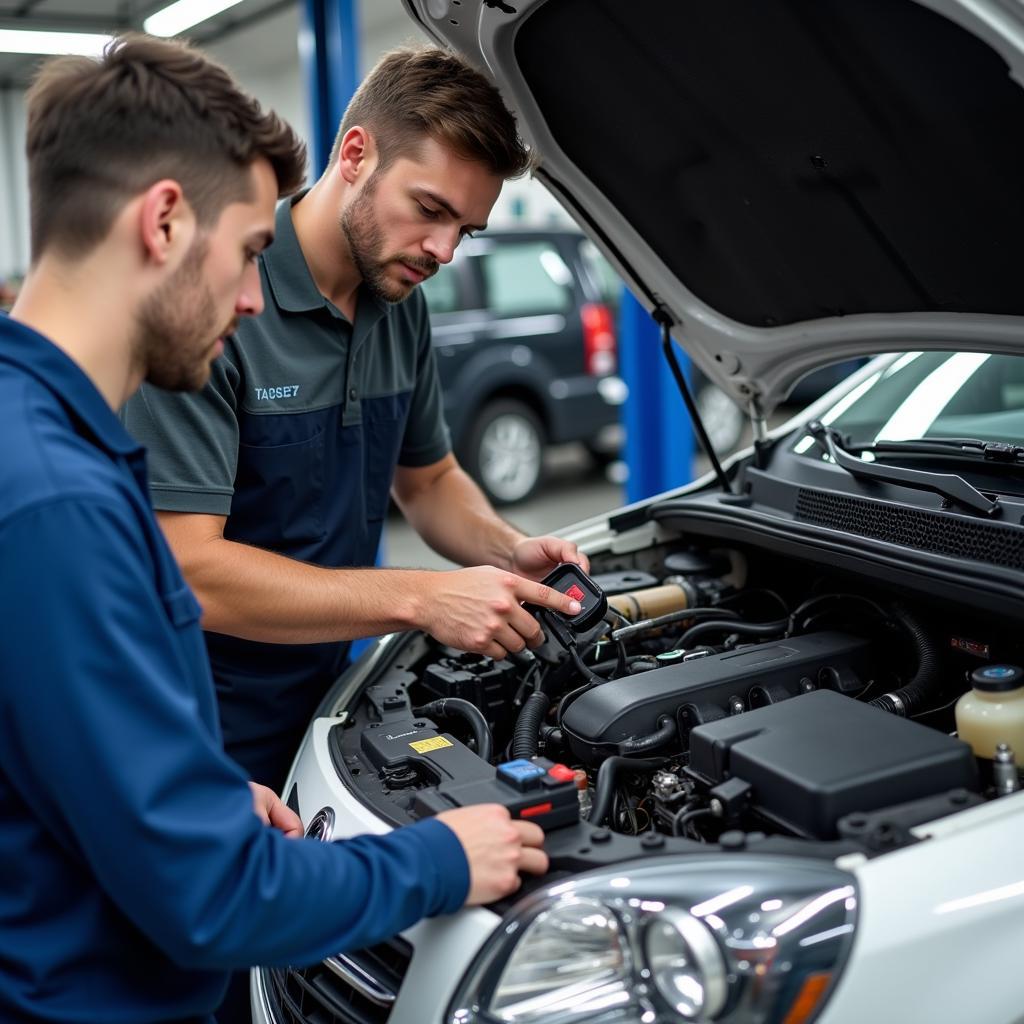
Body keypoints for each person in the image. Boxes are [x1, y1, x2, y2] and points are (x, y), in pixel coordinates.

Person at [0, 35, 556, 1024]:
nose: (255, 297)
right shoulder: (57, 498)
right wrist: (436, 857)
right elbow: (213, 898)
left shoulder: (49, 440)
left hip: (240, 771)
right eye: (251, 252)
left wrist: (198, 795)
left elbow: (75, 756)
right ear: (165, 220)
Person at [122, 46, 590, 794]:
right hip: (200, 726)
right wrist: (423, 596)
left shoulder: (400, 305)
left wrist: (506, 548)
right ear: (355, 153)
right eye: (431, 209)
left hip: (335, 700)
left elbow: (429, 479)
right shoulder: (218, 302)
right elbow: (191, 572)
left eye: (464, 230)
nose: (441, 250)